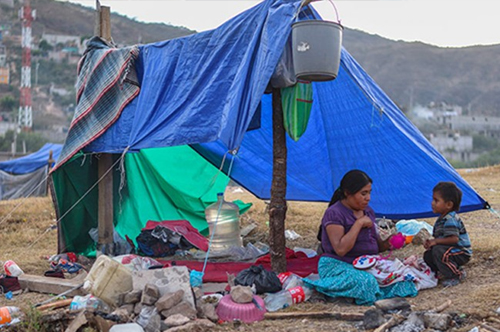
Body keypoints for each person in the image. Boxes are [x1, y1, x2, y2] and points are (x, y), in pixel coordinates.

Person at [304, 170, 418, 305]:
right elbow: (341, 249)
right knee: (366, 281)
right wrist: (358, 224)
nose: (368, 198)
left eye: (369, 193)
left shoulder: (368, 211)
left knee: (405, 281)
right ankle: (323, 289)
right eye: (363, 194)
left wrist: (389, 243)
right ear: (347, 193)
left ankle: (350, 294)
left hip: (365, 265)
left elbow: (376, 246)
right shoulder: (334, 213)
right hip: (338, 265)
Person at [423, 182, 472, 287]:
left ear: (449, 205)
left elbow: (453, 239)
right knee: (428, 255)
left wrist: (435, 242)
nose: (432, 203)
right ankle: (443, 271)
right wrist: (431, 243)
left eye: (436, 200)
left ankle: (456, 275)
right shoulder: (441, 219)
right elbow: (440, 239)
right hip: (449, 250)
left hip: (460, 252)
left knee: (438, 251)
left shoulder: (450, 219)